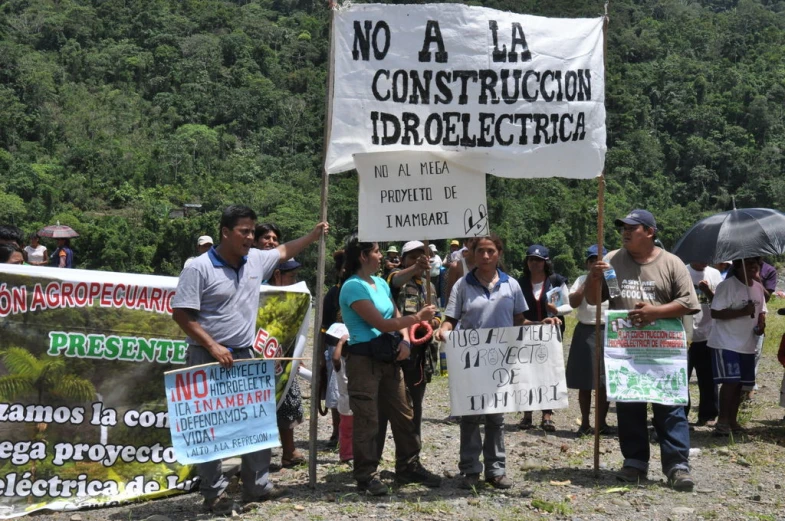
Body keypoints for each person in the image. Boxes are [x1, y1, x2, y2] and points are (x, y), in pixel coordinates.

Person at [171, 205, 327, 512]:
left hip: (245, 355)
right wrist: (213, 346)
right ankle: (214, 493)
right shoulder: (198, 268)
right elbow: (181, 313)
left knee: (255, 422)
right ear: (225, 232)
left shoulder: (255, 259)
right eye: (244, 231)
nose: (250, 237)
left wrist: (313, 234)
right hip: (207, 356)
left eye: (252, 232)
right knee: (209, 426)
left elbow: (284, 250)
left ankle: (257, 486)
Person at [587, 209, 700, 492]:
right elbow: (595, 299)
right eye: (623, 228)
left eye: (632, 228)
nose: (625, 232)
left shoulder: (672, 264)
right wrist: (594, 277)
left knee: (670, 406)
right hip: (626, 349)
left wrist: (655, 312)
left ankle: (677, 466)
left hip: (664, 351)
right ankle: (635, 462)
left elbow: (688, 302)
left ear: (649, 232)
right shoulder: (612, 260)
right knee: (628, 403)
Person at [436, 235, 559, 491]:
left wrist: (541, 323)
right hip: (472, 362)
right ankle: (470, 470)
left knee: (496, 418)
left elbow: (519, 321)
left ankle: (496, 470)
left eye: (490, 251)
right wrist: (443, 330)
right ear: (472, 253)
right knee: (470, 418)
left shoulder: (511, 285)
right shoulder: (461, 285)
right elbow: (451, 319)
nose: (485, 256)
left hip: (501, 362)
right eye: (480, 251)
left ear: (499, 254)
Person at [339, 235, 441, 496]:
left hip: (389, 358)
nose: (381, 256)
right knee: (368, 419)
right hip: (364, 362)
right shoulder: (353, 287)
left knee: (404, 413)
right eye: (376, 251)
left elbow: (396, 314)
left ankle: (408, 467)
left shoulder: (379, 284)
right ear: (363, 256)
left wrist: (406, 342)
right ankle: (366, 475)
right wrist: (417, 318)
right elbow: (381, 324)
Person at [380, 241, 441, 453]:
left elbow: (438, 316)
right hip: (397, 351)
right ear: (404, 259)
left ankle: (412, 456)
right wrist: (415, 268)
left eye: (423, 256)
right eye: (414, 257)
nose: (420, 260)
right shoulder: (394, 279)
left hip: (420, 357)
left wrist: (433, 323)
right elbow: (394, 281)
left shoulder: (429, 286)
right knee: (390, 407)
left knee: (416, 406)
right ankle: (377, 455)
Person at [707, 258, 767, 436]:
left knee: (742, 385)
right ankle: (722, 422)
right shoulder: (727, 286)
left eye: (756, 263)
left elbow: (762, 311)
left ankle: (733, 420)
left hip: (747, 343)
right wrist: (742, 311)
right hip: (726, 342)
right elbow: (715, 312)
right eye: (748, 263)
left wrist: (761, 324)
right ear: (738, 267)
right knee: (730, 382)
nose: (753, 266)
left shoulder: (757, 287)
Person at [518, 244, 571, 432]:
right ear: (527, 261)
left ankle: (547, 415)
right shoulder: (520, 282)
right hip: (525, 331)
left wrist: (558, 311)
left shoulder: (556, 281)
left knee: (548, 372)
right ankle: (527, 414)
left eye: (539, 260)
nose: (535, 263)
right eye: (532, 259)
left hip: (551, 332)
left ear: (546, 262)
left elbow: (568, 305)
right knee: (525, 371)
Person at [566, 244, 611, 437]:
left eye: (600, 261)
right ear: (587, 263)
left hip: (608, 331)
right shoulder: (581, 280)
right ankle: (584, 422)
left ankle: (601, 422)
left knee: (604, 382)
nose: (596, 264)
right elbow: (573, 302)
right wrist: (589, 280)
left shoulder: (613, 281)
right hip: (586, 330)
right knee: (585, 382)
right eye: (592, 261)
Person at [268, 259, 306, 468]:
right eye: (290, 276)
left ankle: (289, 451)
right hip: (261, 359)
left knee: (289, 402)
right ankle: (260, 456)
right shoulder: (262, 294)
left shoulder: (294, 298)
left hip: (286, 360)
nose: (294, 280)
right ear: (277, 275)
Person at [685, 262, 723, 426]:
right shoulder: (682, 271)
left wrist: (708, 291)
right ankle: (681, 414)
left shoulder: (715, 274)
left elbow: (720, 302)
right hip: (685, 333)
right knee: (682, 377)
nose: (703, 260)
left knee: (708, 377)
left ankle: (708, 414)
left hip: (708, 332)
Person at [320, 250, 346, 448]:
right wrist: (322, 355)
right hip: (334, 349)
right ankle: (338, 432)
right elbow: (324, 326)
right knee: (336, 391)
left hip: (359, 348)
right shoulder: (332, 294)